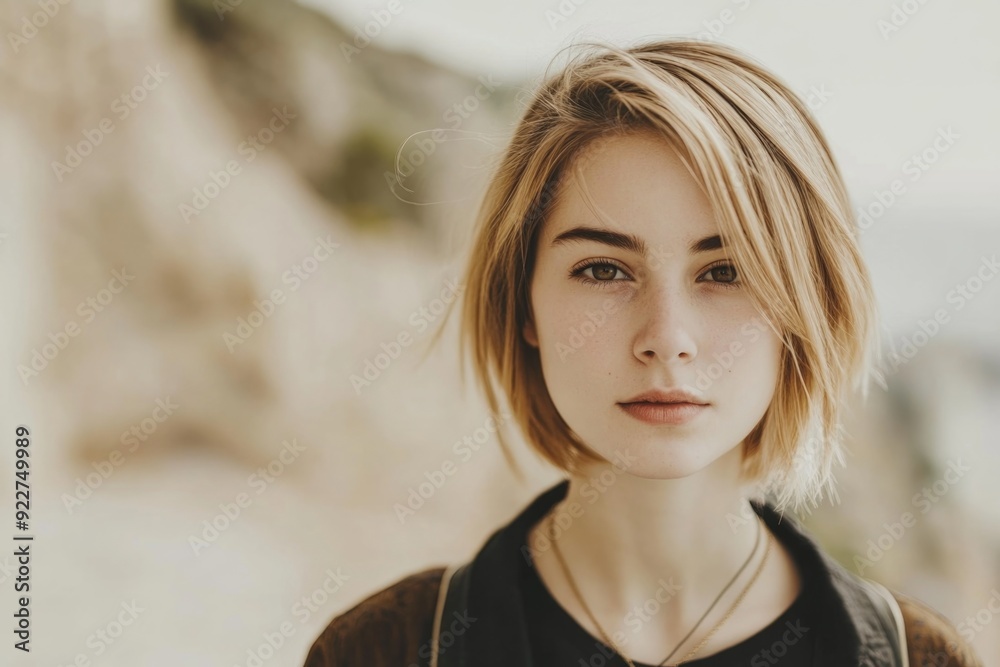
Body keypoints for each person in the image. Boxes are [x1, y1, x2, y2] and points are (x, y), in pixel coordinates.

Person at [304, 38, 983, 666]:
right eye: (603, 269)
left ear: (805, 309)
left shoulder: (917, 658)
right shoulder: (382, 649)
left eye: (726, 271)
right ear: (524, 303)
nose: (666, 337)